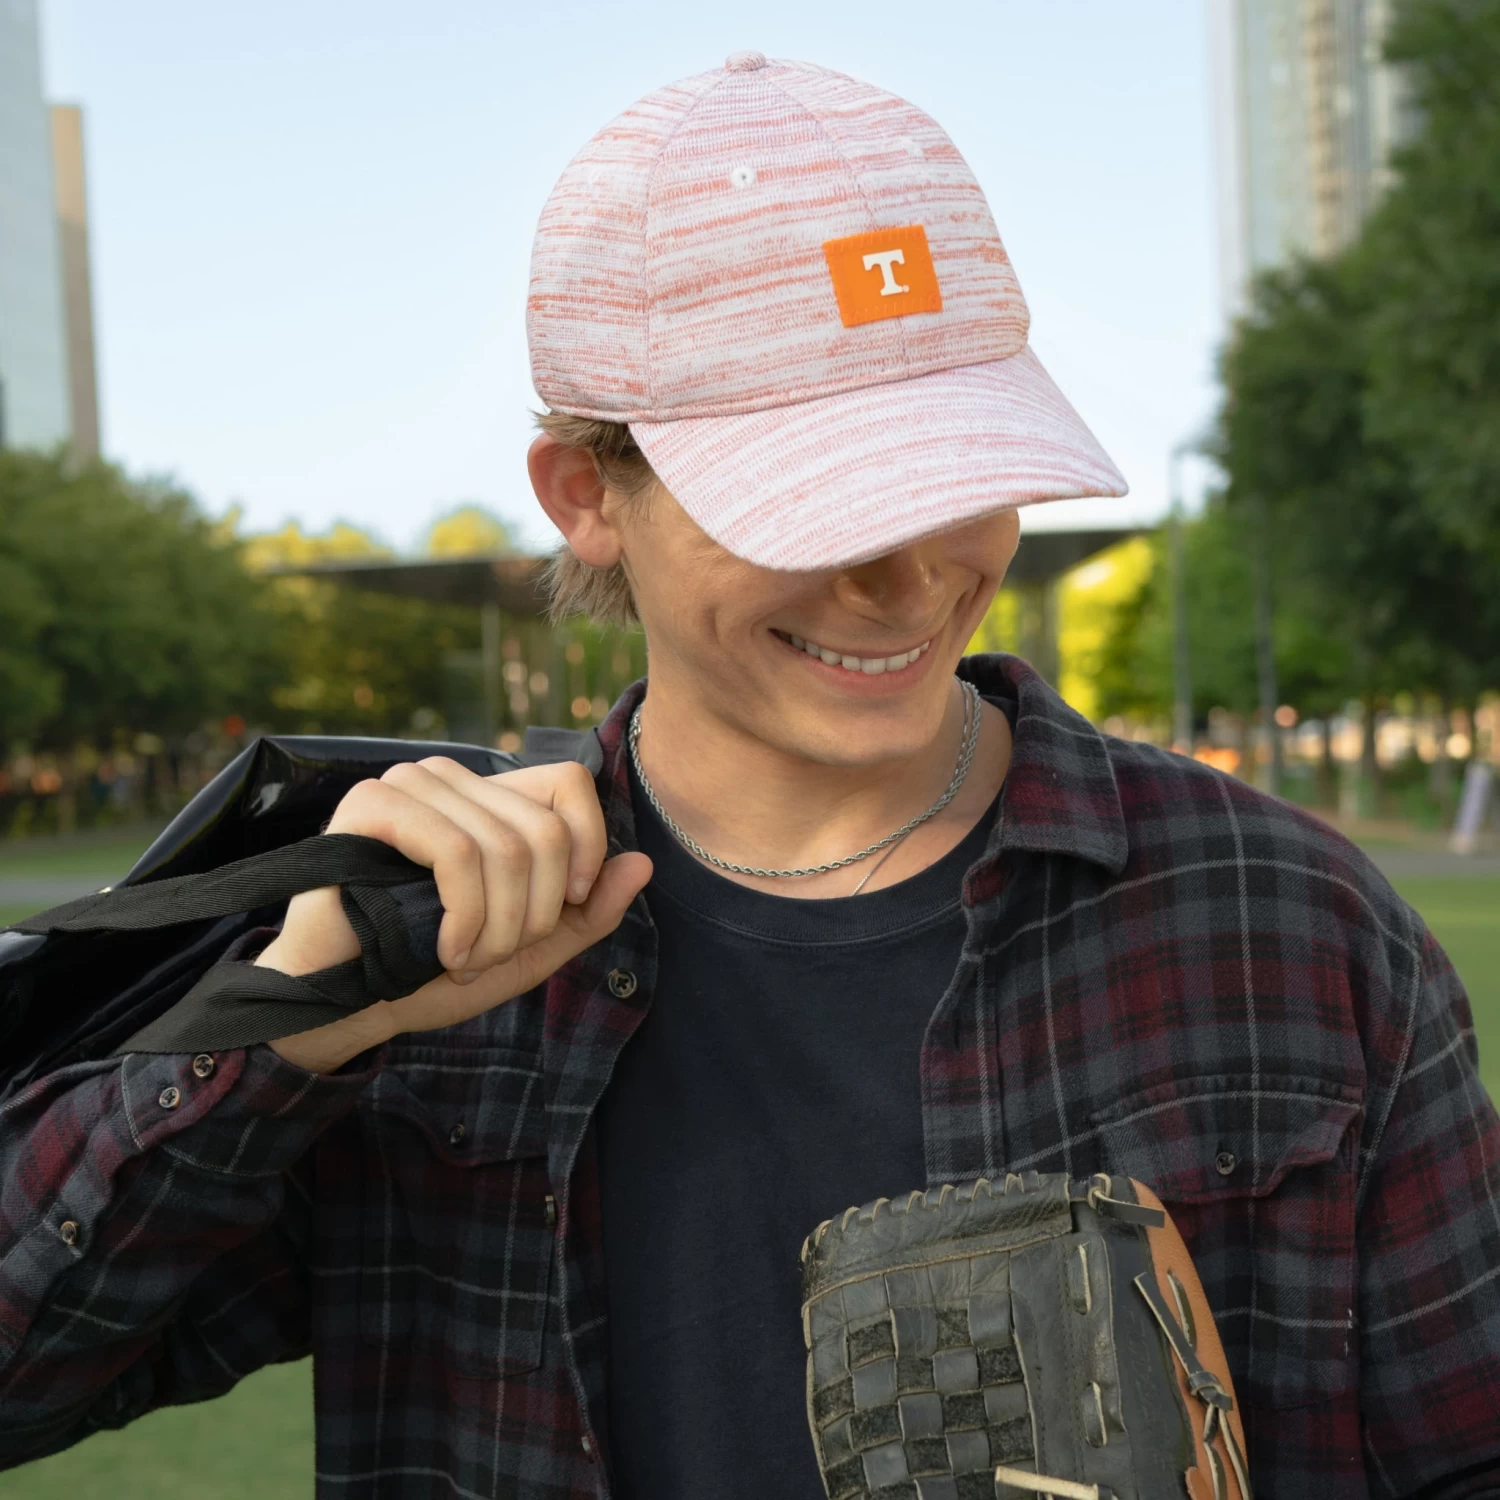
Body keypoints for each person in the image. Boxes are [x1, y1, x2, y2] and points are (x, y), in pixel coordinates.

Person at [2, 51, 1497, 1500]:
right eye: (819, 498)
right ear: (588, 494)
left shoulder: (1293, 925)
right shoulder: (424, 961)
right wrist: (283, 1033)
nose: (911, 575)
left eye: (952, 473)